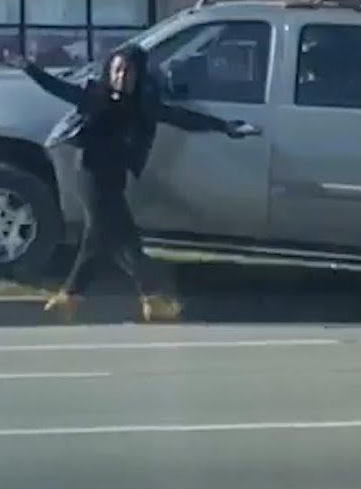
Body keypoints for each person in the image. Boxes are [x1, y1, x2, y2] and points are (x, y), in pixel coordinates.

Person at [15, 45, 238, 321]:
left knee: (96, 239)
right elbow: (60, 89)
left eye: (128, 72)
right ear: (109, 72)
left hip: (115, 178)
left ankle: (69, 298)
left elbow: (181, 118)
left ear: (138, 75)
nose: (121, 76)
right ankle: (152, 296)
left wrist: (224, 126)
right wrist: (29, 68)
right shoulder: (96, 96)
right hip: (90, 176)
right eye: (117, 70)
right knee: (125, 239)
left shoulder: (142, 106)